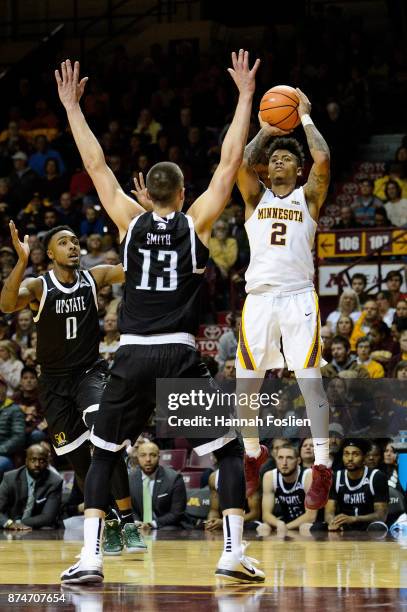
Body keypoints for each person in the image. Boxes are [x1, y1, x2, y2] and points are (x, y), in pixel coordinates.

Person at [56, 54, 265, 584]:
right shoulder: (195, 221)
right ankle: (232, 554)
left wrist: (72, 108)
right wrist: (244, 96)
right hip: (178, 354)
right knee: (231, 455)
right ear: (183, 192)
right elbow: (229, 160)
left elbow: (98, 166)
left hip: (130, 353)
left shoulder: (128, 222)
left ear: (146, 192)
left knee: (103, 456)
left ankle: (90, 559)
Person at [0, 222, 139, 554]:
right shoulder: (38, 285)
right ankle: (110, 524)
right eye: (64, 243)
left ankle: (130, 521)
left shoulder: (95, 276)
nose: (73, 246)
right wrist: (21, 261)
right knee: (78, 461)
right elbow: (6, 305)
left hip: (89, 373)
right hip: (53, 384)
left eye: (76, 241)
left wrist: (138, 225)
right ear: (50, 254)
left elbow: (133, 268)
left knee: (105, 438)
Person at [235, 87, 333, 510]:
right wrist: (264, 129)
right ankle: (253, 452)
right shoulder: (255, 197)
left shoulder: (308, 196)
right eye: (274, 157)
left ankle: (324, 464)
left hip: (298, 298)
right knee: (246, 387)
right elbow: (241, 162)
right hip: (258, 298)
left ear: (298, 169)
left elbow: (324, 160)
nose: (278, 160)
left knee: (310, 380)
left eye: (287, 157)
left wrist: (305, 117)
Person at [325, 439, 389, 531]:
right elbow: (329, 512)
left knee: (377, 527)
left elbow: (381, 515)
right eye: (346, 454)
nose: (350, 458)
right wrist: (333, 522)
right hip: (344, 526)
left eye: (355, 454)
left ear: (364, 458)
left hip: (368, 526)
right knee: (317, 527)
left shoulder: (377, 477)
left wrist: (354, 519)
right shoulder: (336, 477)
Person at [0, 444, 62, 530]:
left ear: (47, 462)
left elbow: (48, 517)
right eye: (33, 460)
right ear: (26, 461)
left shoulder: (55, 481)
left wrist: (18, 523)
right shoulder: (10, 478)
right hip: (10, 527)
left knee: (47, 528)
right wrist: (8, 523)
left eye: (42, 461)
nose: (37, 464)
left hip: (38, 529)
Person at [128, 441, 187, 532]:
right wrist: (136, 522)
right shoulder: (130, 479)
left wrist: (151, 524)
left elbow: (176, 513)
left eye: (153, 455)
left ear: (159, 457)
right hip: (139, 526)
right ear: (137, 457)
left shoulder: (174, 478)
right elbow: (129, 508)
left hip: (165, 526)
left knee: (169, 530)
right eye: (143, 455)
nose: (148, 459)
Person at [260, 443, 317, 535]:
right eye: (280, 458)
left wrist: (285, 527)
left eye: (289, 458)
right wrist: (279, 524)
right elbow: (266, 515)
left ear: (298, 460)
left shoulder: (308, 475)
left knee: (304, 527)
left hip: (307, 522)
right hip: (284, 520)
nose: (284, 462)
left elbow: (311, 516)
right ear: (276, 459)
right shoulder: (269, 476)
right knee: (263, 528)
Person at [205, 467, 260, 531]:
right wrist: (211, 522)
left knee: (261, 528)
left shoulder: (250, 476)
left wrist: (226, 522)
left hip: (245, 522)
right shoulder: (214, 478)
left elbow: (255, 514)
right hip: (222, 521)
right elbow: (214, 510)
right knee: (203, 527)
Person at [0, 374, 25, 479]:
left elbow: (18, 437)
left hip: (5, 454)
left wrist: (1, 449)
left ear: (5, 389)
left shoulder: (14, 409)